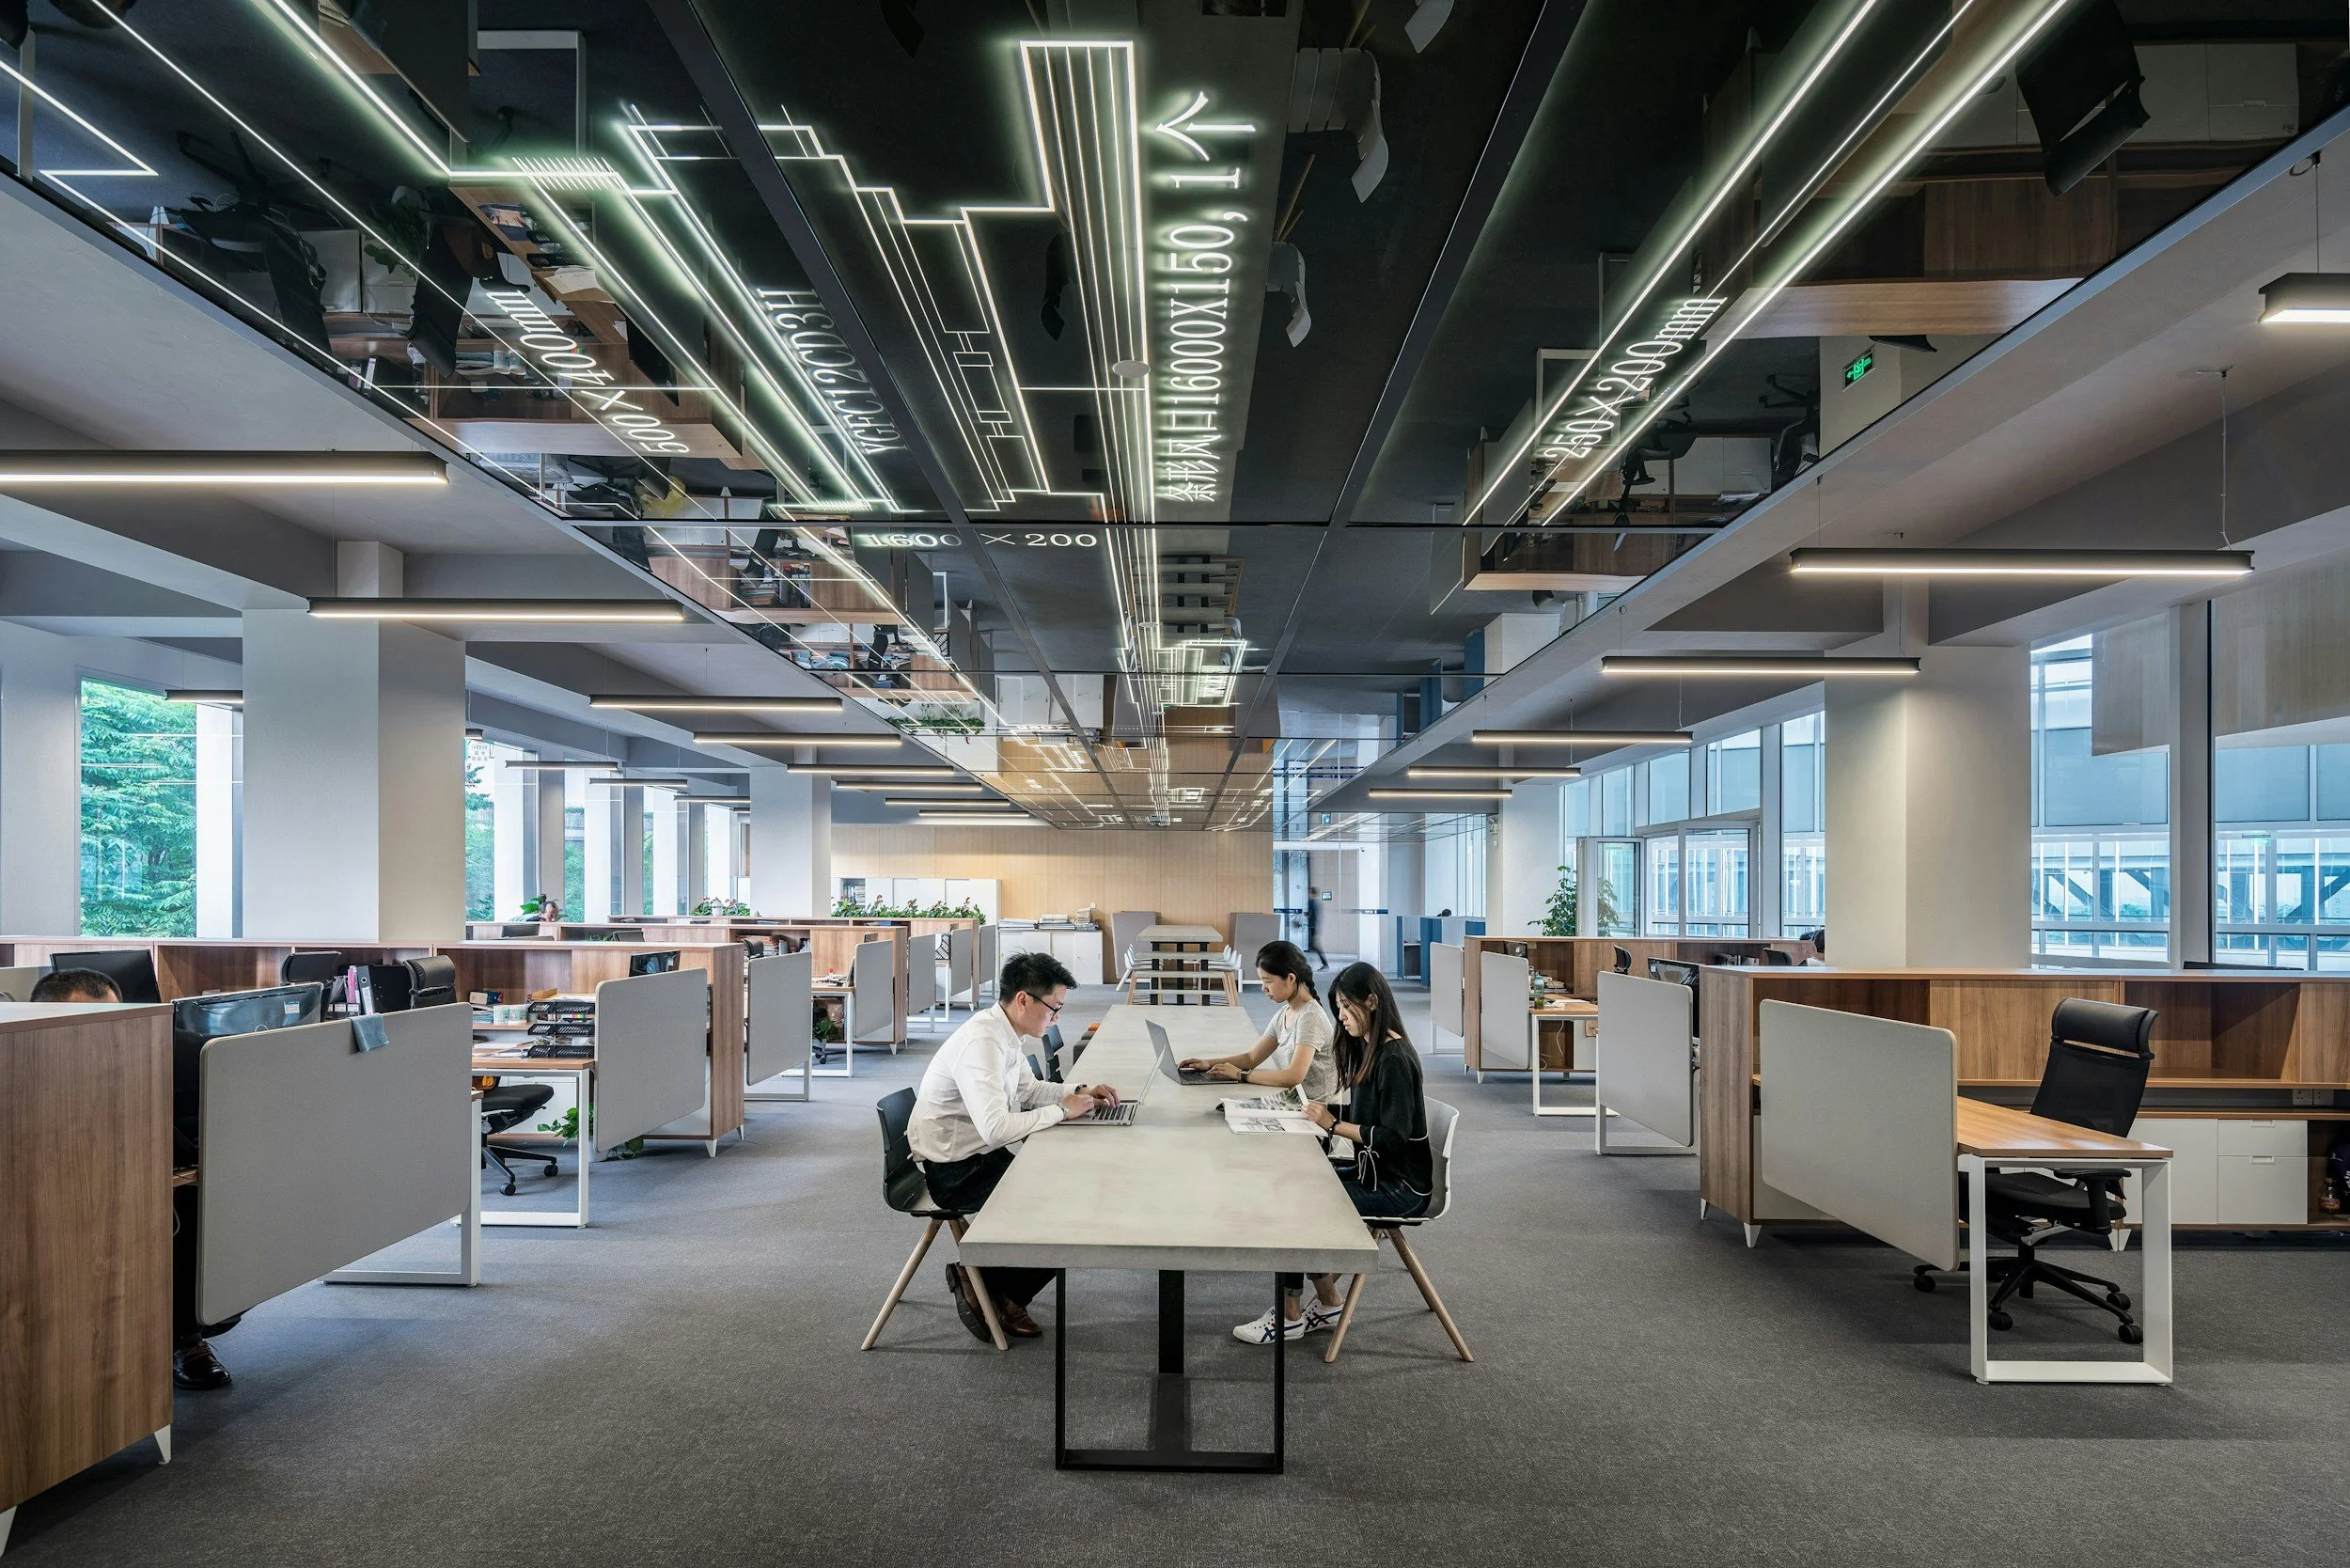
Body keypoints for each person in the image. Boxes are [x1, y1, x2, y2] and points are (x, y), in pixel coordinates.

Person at [33, 969, 240, 1388]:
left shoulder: (152, 1059)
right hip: (48, 1199)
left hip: (129, 1186)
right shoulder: (25, 1071)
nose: (104, 1035)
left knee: (191, 1205)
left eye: (115, 1019)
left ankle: (184, 1336)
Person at [907, 950, 1115, 1343]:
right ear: (1023, 1000)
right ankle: (991, 1286)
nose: (1056, 1018)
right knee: (1070, 1213)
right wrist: (1062, 1111)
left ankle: (989, 1281)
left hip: (979, 1156)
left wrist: (1080, 1091)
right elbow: (996, 1129)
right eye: (1054, 1009)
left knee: (1078, 1193)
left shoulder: (1005, 1033)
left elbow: (1029, 1089)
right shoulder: (981, 1043)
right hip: (956, 1171)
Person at [1233, 962, 1433, 1344]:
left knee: (1296, 1205)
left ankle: (1290, 1315)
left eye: (1345, 1007)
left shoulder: (1394, 1058)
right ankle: (1327, 1301)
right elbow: (1367, 1117)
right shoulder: (1373, 1050)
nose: (1339, 1018)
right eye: (1337, 1007)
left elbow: (1392, 1137)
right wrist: (1315, 1113)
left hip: (1400, 1187)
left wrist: (1331, 1124)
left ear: (1372, 1002)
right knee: (1295, 1186)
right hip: (1375, 1171)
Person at [1181, 941, 1338, 1105]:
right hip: (1297, 1103)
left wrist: (1241, 1075)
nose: (1263, 988)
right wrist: (1208, 1063)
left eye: (1268, 981)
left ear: (1291, 978)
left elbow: (1294, 1076)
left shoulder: (1310, 1018)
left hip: (1318, 1113)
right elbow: (1251, 1058)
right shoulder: (1285, 1013)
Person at [1303, 887, 1326, 970]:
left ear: (1311, 893)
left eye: (1309, 893)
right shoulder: (1318, 902)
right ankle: (1324, 963)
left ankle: (1325, 963)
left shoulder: (1312, 902)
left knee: (1314, 946)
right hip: (1315, 927)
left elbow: (1312, 915)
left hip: (1312, 927)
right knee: (1313, 946)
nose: (1308, 895)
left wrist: (1306, 914)